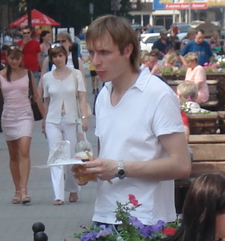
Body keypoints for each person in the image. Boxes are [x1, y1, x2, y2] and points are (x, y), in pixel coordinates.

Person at [80, 15, 191, 227]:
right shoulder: (104, 94)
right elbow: (111, 156)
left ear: (127, 51)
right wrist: (92, 170)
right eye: (91, 52)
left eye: (104, 52)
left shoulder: (157, 94)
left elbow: (181, 165)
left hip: (147, 220)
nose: (95, 61)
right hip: (105, 215)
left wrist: (120, 168)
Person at [0, 45, 42, 204]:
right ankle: (17, 189)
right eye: (11, 58)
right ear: (7, 58)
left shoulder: (28, 74)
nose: (14, 61)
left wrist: (46, 117)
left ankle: (25, 190)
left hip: (25, 114)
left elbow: (37, 97)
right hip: (8, 116)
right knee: (13, 154)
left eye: (17, 58)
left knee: (24, 150)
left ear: (21, 59)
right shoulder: (0, 75)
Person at [40, 42, 89, 205]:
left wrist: (83, 119)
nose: (58, 59)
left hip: (71, 119)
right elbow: (46, 101)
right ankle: (58, 194)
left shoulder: (75, 74)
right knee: (56, 156)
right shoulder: (47, 77)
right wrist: (44, 120)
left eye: (61, 55)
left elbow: (81, 97)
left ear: (65, 56)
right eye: (55, 56)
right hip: (53, 120)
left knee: (70, 156)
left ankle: (73, 189)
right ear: (51, 59)